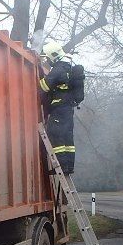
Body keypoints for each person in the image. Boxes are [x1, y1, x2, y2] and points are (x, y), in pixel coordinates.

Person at [38, 42, 83, 174]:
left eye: (48, 58)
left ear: (53, 56)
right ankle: (69, 167)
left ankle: (61, 167)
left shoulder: (58, 69)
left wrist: (40, 78)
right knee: (67, 138)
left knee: (55, 134)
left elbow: (44, 87)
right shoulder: (68, 66)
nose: (47, 60)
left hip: (59, 108)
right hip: (68, 109)